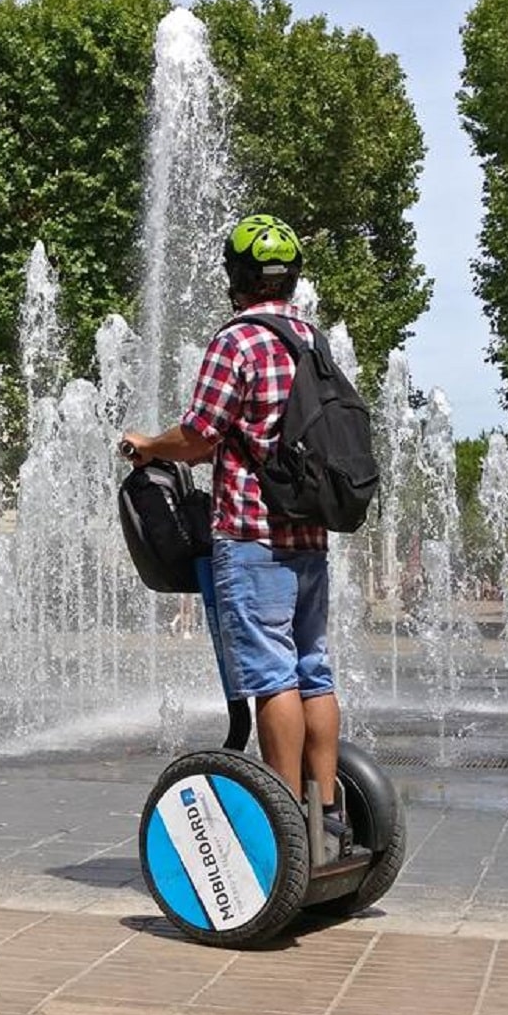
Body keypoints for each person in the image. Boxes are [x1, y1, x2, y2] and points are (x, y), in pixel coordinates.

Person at [121, 213, 349, 848]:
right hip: (309, 533)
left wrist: (147, 446)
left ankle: (283, 826)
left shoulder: (239, 341)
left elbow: (198, 437)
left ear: (237, 278)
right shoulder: (313, 340)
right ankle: (325, 808)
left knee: (273, 677)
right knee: (314, 671)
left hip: (251, 532)